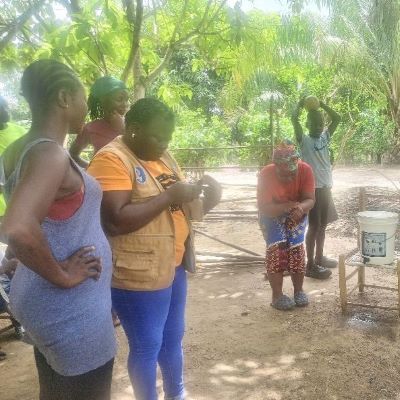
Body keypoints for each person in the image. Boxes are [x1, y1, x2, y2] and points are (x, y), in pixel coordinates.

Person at [88, 98, 222, 400]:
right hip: (137, 275)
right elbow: (115, 221)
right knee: (148, 345)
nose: (164, 144)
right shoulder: (111, 159)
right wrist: (169, 194)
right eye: (158, 137)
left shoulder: (163, 157)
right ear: (133, 130)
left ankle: (177, 394)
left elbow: (184, 209)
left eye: (168, 138)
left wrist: (211, 198)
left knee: (173, 338)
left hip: (173, 266)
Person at [0, 59, 116, 400]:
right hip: (69, 307)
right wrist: (62, 275)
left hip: (40, 298)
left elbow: (32, 218)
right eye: (83, 95)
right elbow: (19, 226)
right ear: (65, 97)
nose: (86, 106)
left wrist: (21, 253)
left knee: (56, 391)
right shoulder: (49, 154)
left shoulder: (17, 149)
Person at [258, 142, 315, 311]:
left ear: (297, 162)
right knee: (277, 248)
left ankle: (299, 291)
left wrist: (300, 208)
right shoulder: (266, 174)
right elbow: (264, 207)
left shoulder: (305, 170)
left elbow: (310, 199)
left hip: (296, 211)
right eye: (283, 172)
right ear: (276, 166)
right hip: (271, 213)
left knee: (297, 248)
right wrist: (285, 207)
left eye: (292, 171)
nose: (288, 176)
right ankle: (277, 295)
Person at [292, 97, 341, 279]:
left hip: (326, 187)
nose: (319, 125)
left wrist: (322, 104)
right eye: (314, 122)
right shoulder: (303, 140)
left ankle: (319, 258)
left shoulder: (325, 137)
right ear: (307, 124)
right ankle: (310, 265)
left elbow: (337, 118)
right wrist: (300, 103)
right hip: (313, 189)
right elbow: (293, 118)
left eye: (320, 122)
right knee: (314, 226)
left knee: (323, 225)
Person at [69, 76, 129, 168]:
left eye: (126, 99)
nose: (125, 104)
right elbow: (73, 154)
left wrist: (122, 130)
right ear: (103, 101)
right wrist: (92, 168)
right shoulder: (90, 128)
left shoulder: (133, 125)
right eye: (120, 99)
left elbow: (141, 154)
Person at [0, 96, 26, 219]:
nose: (6, 110)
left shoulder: (20, 130)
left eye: (6, 106)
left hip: (20, 199)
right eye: (2, 108)